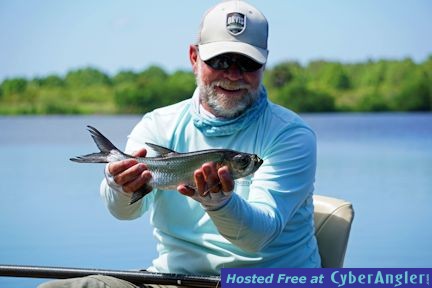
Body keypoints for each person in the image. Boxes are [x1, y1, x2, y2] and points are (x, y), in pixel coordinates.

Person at [39, 1, 321, 287]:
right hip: (172, 280)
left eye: (247, 63)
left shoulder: (290, 135)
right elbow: (124, 212)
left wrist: (219, 202)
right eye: (221, 61)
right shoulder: (159, 124)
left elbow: (257, 237)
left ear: (264, 63)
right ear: (194, 58)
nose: (233, 74)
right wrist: (119, 185)